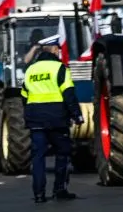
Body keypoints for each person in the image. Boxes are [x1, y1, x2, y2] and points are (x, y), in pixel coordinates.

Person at [20, 34, 84, 203]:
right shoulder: (60, 68)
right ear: (55, 49)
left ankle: (39, 194)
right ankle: (59, 189)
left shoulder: (30, 70)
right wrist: (76, 115)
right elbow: (69, 94)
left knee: (38, 157)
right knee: (62, 153)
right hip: (57, 119)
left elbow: (24, 96)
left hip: (35, 120)